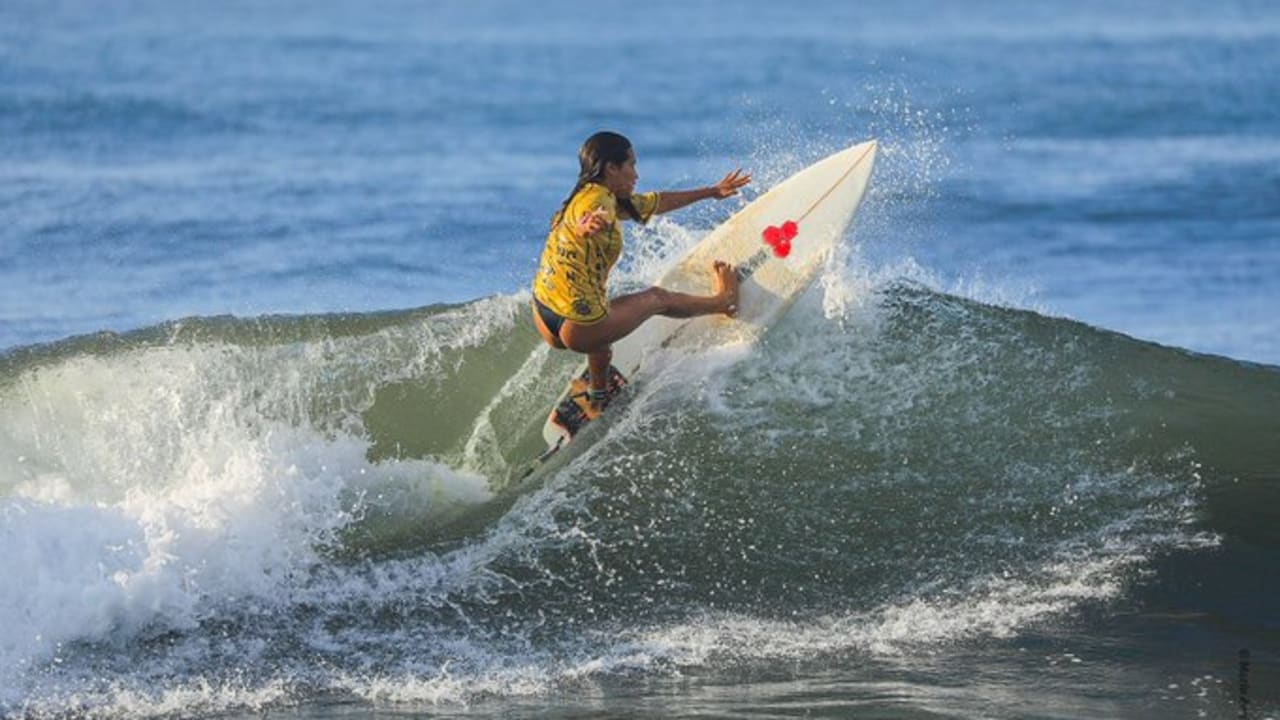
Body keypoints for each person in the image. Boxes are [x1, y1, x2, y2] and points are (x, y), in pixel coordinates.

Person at [531, 130, 750, 411]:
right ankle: (724, 302)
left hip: (544, 312)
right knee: (658, 299)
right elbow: (589, 217)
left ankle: (599, 394)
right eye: (631, 165)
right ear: (611, 168)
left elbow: (658, 202)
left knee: (601, 330)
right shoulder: (596, 203)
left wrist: (711, 191)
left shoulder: (587, 195)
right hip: (578, 327)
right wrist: (588, 225)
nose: (636, 174)